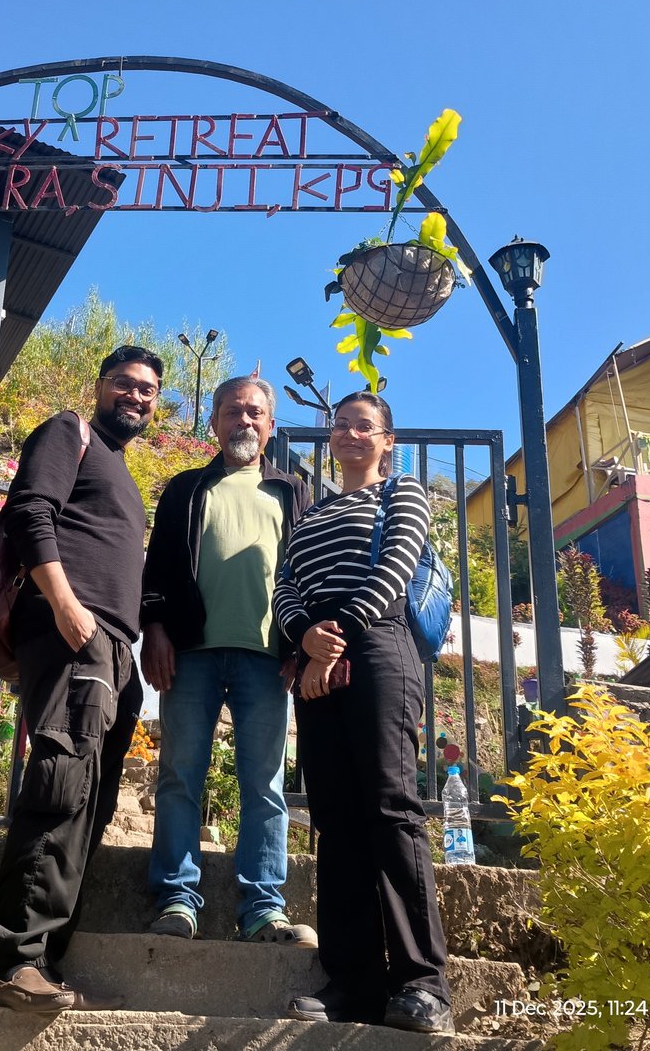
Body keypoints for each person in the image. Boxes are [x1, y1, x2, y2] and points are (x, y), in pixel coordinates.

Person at [0, 345, 163, 1014]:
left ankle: (46, 959)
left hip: (112, 648)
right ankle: (14, 960)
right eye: (124, 383)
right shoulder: (68, 431)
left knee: (91, 801)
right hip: (73, 632)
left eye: (148, 390)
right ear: (99, 385)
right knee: (61, 786)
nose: (135, 396)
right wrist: (65, 606)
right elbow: (30, 512)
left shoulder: (118, 468)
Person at [272, 391, 454, 1035]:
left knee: (390, 806)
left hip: (377, 645)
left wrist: (334, 638)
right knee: (336, 818)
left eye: (365, 426)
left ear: (387, 441)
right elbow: (285, 584)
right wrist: (305, 638)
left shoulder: (402, 494)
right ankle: (352, 983)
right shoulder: (312, 514)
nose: (351, 433)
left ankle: (422, 984)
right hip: (316, 655)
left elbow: (395, 568)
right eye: (342, 424)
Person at [140, 375, 316, 946]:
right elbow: (157, 567)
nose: (244, 420)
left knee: (264, 784)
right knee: (179, 777)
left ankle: (263, 907)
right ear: (214, 421)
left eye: (255, 412)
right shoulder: (185, 489)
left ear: (270, 425)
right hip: (189, 653)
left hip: (267, 660)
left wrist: (298, 645)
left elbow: (307, 574)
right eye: (233, 411)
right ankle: (176, 899)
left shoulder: (293, 492)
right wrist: (155, 629)